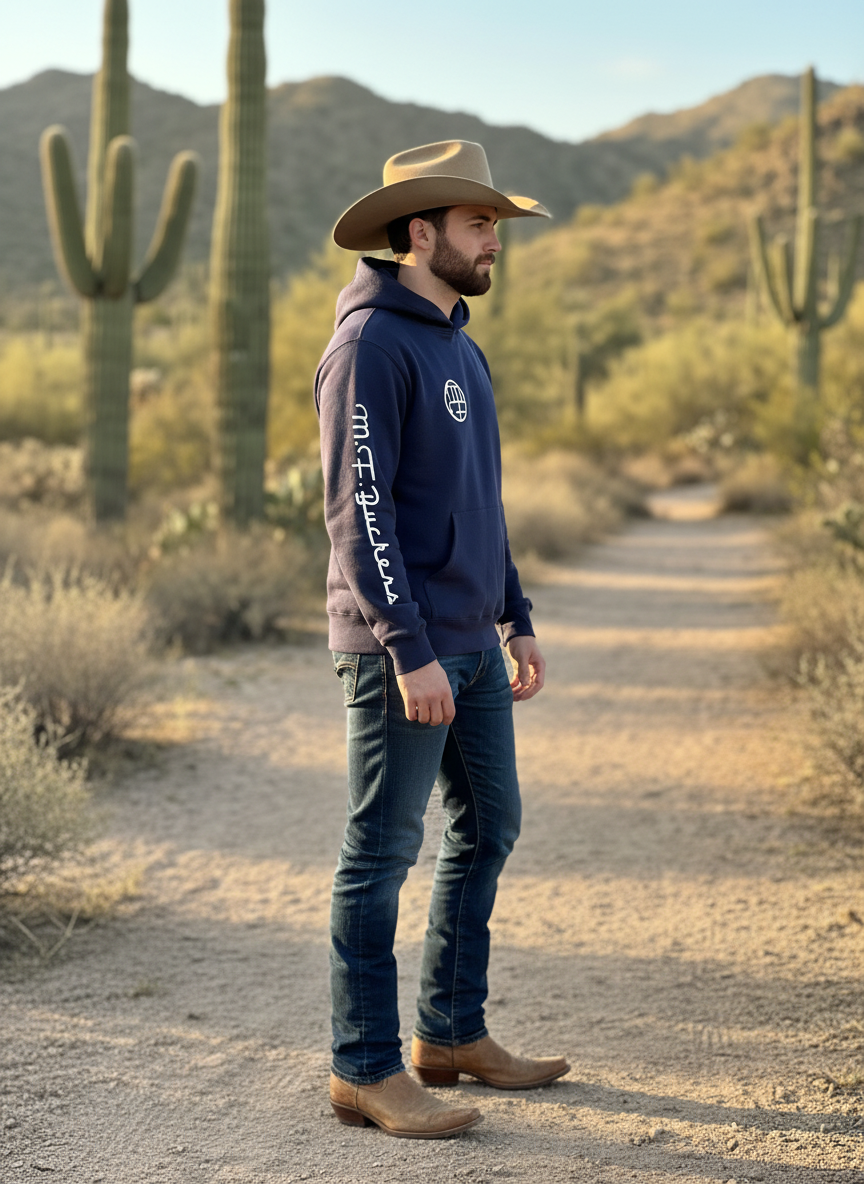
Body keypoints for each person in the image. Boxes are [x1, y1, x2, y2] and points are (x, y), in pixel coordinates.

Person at [315, 140, 569, 1140]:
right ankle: (363, 1068)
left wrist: (517, 614)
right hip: (402, 649)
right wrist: (406, 644)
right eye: (478, 224)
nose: (494, 241)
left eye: (496, 225)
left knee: (490, 825)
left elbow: (484, 501)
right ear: (420, 233)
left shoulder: (462, 346)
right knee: (381, 850)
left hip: (472, 637)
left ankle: (452, 1032)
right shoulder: (369, 345)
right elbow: (358, 509)